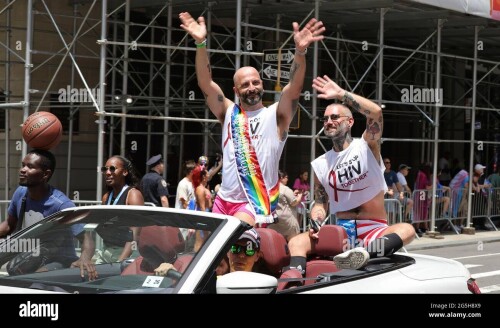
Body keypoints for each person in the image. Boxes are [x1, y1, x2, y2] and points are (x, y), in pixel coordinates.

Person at [179, 12, 325, 226]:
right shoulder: (228, 112)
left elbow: (294, 88)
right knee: (219, 258)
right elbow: (205, 83)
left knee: (237, 242)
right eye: (245, 85)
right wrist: (200, 43)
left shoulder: (276, 115)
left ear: (262, 85)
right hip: (224, 200)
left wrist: (300, 51)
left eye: (255, 82)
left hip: (253, 203)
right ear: (236, 90)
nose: (251, 88)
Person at [286, 75, 415, 273]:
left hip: (374, 230)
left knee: (407, 230)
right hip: (341, 232)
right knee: (296, 242)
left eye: (335, 117)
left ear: (351, 121)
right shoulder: (321, 164)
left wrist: (341, 94)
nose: (329, 122)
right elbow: (321, 202)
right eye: (326, 119)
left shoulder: (367, 146)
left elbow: (376, 112)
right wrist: (316, 219)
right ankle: (293, 280)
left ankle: (364, 255)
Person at [0, 149, 96, 280]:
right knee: (14, 277)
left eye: (30, 167)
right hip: (31, 256)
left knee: (37, 280)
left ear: (45, 174)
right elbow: (9, 225)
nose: (23, 170)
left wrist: (84, 259)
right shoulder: (20, 193)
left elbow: (86, 237)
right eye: (23, 165)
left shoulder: (61, 204)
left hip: (59, 260)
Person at [154, 228, 261, 276]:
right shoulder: (212, 282)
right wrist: (172, 272)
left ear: (257, 256)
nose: (241, 255)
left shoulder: (264, 286)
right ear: (228, 252)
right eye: (235, 248)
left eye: (249, 249)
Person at [98, 155, 144, 263]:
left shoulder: (133, 195)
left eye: (113, 169)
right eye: (105, 169)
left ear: (125, 172)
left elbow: (135, 234)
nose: (108, 172)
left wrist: (120, 262)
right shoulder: (106, 197)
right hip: (105, 251)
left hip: (125, 253)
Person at [269, 170, 302, 241]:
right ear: (281, 178)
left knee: (276, 243)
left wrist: (292, 194)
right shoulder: (285, 189)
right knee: (292, 242)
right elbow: (294, 202)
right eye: (286, 177)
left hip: (274, 220)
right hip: (287, 221)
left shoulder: (269, 189)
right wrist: (299, 197)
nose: (287, 179)